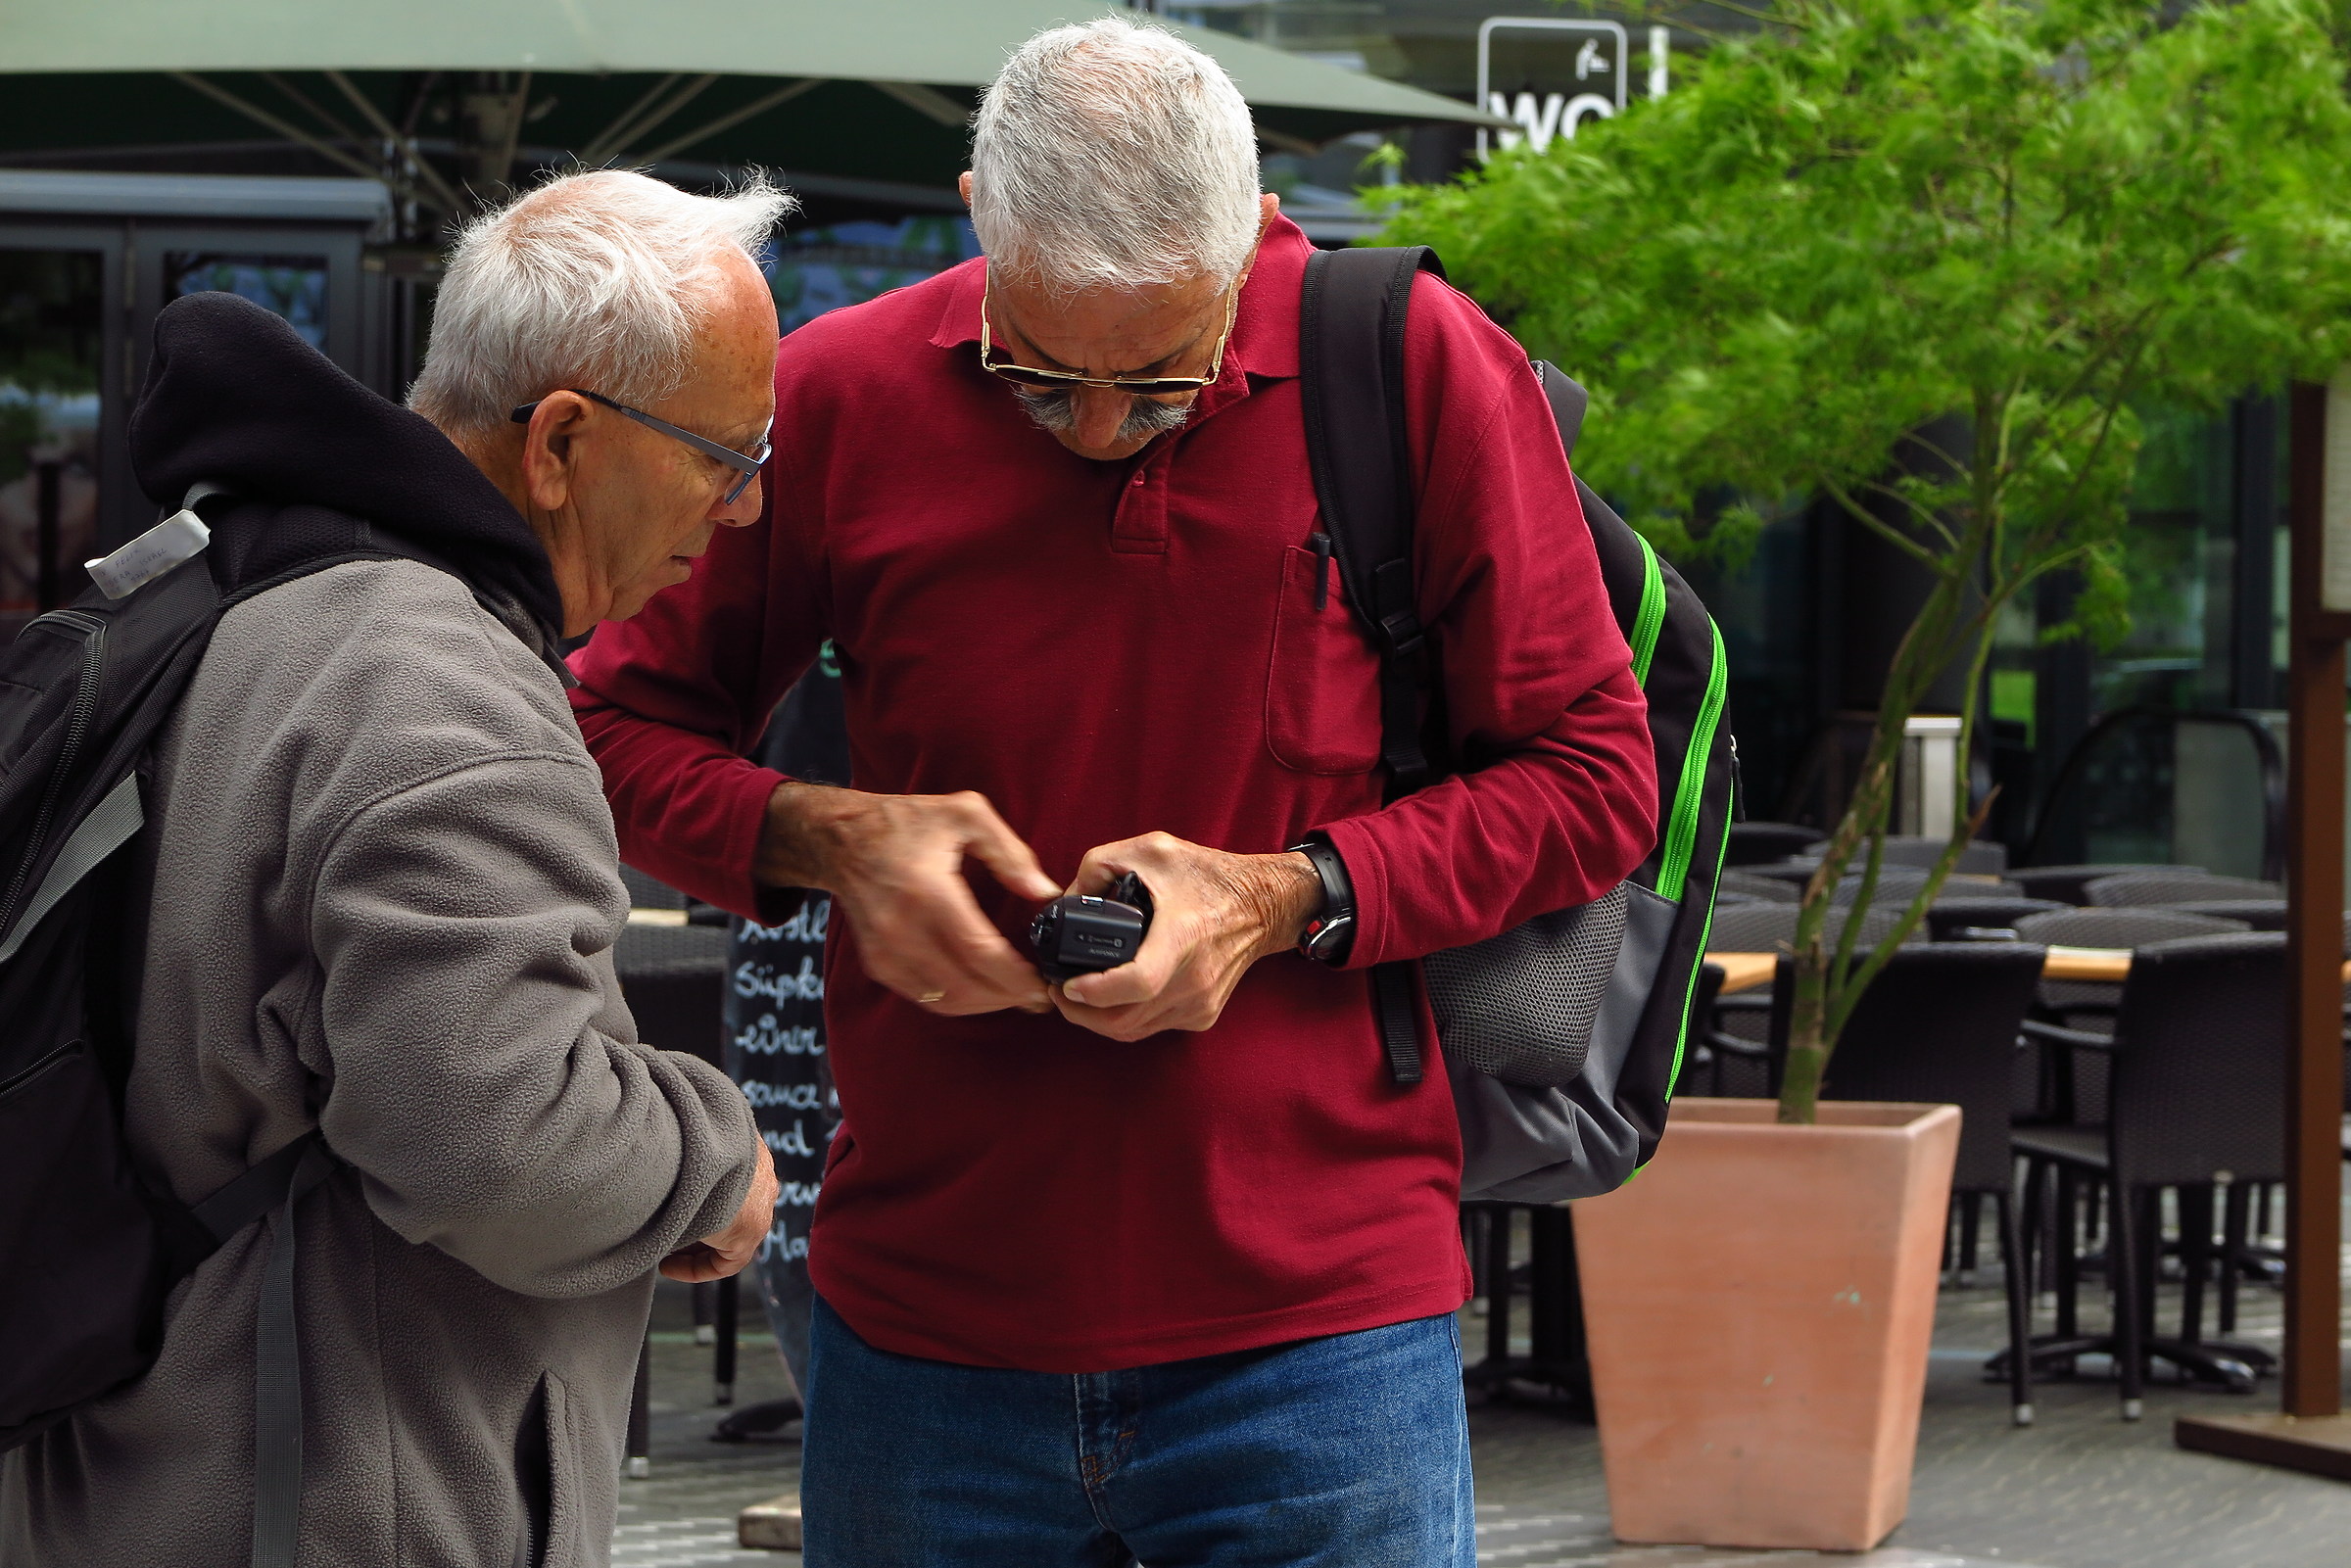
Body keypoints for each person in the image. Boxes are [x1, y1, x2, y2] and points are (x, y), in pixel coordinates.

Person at [571, 18, 1657, 1567]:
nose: (1092, 428)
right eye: (1039, 373)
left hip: (1323, 1337)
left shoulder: (1412, 367)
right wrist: (827, 834)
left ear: (1250, 237)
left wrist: (1286, 895)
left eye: (1157, 385)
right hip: (924, 1330)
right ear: (976, 216)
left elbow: (1594, 774)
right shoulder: (839, 394)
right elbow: (603, 732)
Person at [0, 169, 784, 1567]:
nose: (735, 510)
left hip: (131, 1468)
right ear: (559, 444)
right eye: (724, 455)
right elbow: (498, 1141)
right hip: (336, 1499)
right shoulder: (444, 690)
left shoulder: (227, 575)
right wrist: (712, 1162)